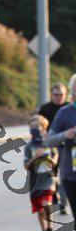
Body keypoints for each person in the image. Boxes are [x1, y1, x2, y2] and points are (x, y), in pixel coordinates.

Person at [44, 74, 76, 231]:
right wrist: (65, 135)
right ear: (73, 90)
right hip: (72, 175)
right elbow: (48, 141)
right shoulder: (65, 112)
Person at [24, 115, 57, 231]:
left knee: (46, 203)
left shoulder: (49, 142)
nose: (34, 128)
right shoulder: (29, 147)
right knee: (39, 209)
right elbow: (26, 166)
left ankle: (50, 227)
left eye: (37, 126)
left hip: (48, 179)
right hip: (35, 181)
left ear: (43, 128)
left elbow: (55, 156)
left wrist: (51, 161)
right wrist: (35, 157)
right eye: (31, 126)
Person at [39, 83, 70, 215]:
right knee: (52, 175)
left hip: (66, 147)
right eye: (56, 94)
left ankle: (63, 203)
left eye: (61, 94)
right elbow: (38, 125)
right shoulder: (45, 108)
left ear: (66, 95)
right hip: (50, 147)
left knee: (65, 176)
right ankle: (55, 197)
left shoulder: (69, 108)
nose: (59, 97)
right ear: (52, 95)